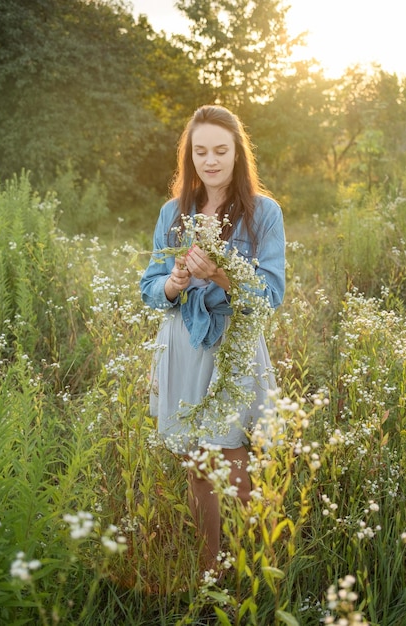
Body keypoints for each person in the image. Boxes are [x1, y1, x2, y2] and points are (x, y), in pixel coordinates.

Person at [140, 104, 285, 574]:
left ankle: (262, 564)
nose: (211, 160)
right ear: (190, 157)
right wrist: (174, 284)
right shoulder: (173, 211)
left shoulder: (263, 212)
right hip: (183, 342)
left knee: (232, 458)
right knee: (196, 460)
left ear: (237, 153)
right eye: (200, 151)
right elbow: (150, 286)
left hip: (232, 344)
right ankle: (210, 566)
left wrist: (224, 276)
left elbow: (273, 293)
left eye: (221, 150)